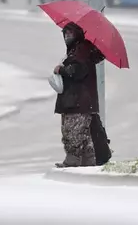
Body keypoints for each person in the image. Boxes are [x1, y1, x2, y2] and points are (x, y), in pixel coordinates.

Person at [53, 22, 105, 168]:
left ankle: (73, 161)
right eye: (65, 33)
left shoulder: (81, 50)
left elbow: (78, 71)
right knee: (84, 135)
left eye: (70, 33)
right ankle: (88, 163)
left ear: (77, 34)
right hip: (80, 101)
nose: (67, 36)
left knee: (73, 131)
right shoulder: (78, 49)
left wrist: (61, 70)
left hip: (77, 101)